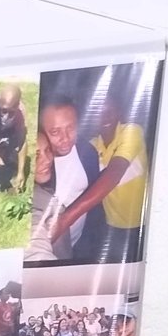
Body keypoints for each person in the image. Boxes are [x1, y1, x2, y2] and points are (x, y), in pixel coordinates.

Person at [47, 86, 152, 264]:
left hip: (141, 225)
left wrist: (65, 220)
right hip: (110, 226)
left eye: (110, 111)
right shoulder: (92, 146)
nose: (106, 117)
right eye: (99, 113)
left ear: (119, 111)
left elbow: (114, 172)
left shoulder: (132, 131)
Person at [28, 94, 103, 263]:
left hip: (81, 241)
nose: (65, 138)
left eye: (71, 128)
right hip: (54, 249)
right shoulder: (38, 169)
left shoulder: (86, 152)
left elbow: (94, 196)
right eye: (55, 132)